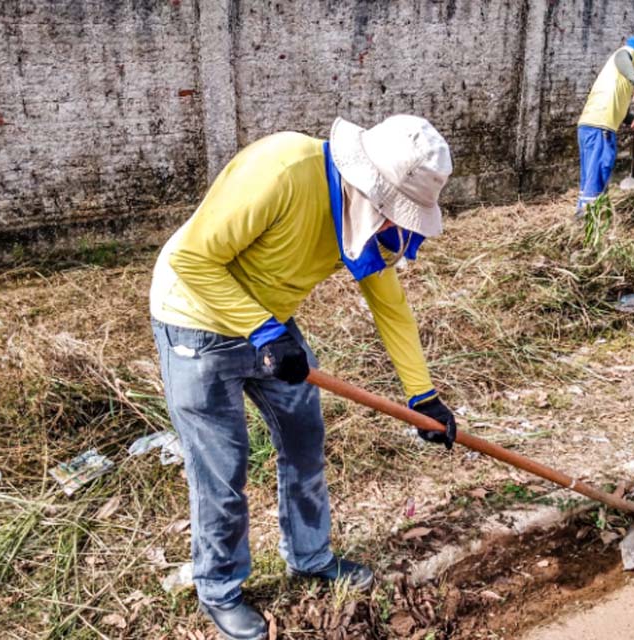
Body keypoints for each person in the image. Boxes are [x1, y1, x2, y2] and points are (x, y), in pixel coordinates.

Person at [149, 115, 459, 640]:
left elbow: (391, 307)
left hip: (271, 326)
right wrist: (263, 331)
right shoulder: (281, 173)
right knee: (222, 469)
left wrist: (422, 395)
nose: (396, 231)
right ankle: (220, 589)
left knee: (304, 442)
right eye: (395, 216)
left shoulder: (364, 224)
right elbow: (192, 260)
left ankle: (310, 557)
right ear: (368, 190)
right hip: (195, 320)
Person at [576, 35, 634, 217]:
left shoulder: (617, 77)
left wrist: (631, 119)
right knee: (598, 172)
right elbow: (622, 57)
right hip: (600, 127)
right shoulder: (626, 54)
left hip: (589, 124)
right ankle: (589, 219)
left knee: (591, 176)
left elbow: (615, 103)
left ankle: (586, 214)